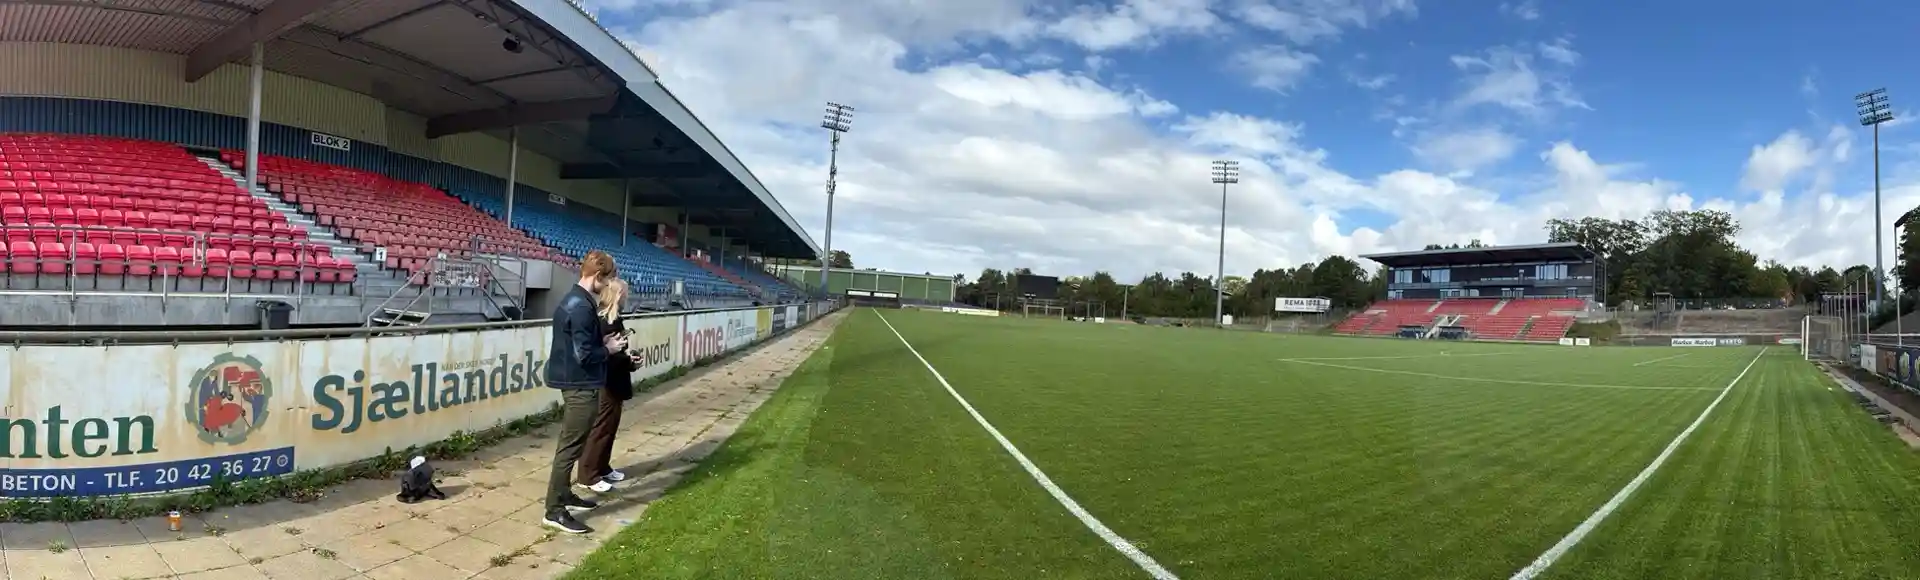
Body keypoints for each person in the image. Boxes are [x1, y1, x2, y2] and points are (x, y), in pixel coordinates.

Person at [542, 250, 626, 534]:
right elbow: (584, 356)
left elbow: (582, 344)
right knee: (569, 449)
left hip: (579, 382)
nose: (610, 284)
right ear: (598, 277)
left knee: (572, 445)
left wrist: (599, 340)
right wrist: (609, 349)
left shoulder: (579, 300)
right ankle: (554, 511)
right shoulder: (580, 305)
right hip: (579, 385)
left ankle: (564, 496)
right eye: (609, 278)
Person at [576, 278, 636, 493]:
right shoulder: (602, 321)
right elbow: (603, 355)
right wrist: (624, 360)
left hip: (616, 380)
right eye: (624, 294)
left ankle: (602, 467)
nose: (627, 297)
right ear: (617, 295)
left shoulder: (614, 319)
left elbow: (617, 354)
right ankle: (588, 474)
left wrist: (630, 362)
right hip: (605, 382)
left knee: (610, 428)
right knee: (601, 428)